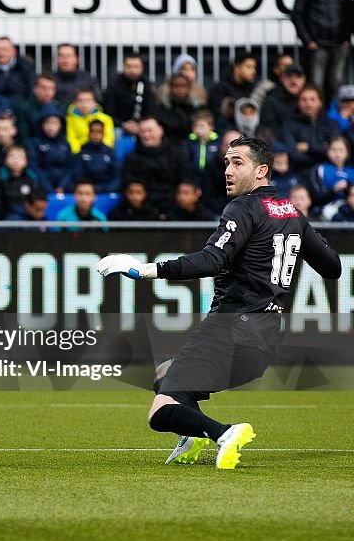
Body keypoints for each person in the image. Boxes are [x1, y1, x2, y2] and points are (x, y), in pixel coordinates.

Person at [98, 135, 342, 469]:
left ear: (261, 171)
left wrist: (145, 270)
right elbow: (333, 267)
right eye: (226, 162)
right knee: (164, 373)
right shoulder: (293, 214)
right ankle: (195, 434)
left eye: (237, 162)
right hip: (264, 341)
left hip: (228, 330)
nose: (227, 169)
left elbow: (212, 260)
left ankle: (223, 432)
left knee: (160, 410)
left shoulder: (243, 208)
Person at [291, 0, 353, 102]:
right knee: (316, 85)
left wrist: (347, 37)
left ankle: (334, 119)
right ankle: (317, 120)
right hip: (317, 43)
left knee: (337, 84)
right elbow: (298, 13)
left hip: (339, 42)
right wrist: (307, 40)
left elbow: (348, 12)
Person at [103, 52, 155, 135]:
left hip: (141, 125)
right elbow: (109, 111)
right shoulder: (114, 83)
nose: (132, 70)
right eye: (129, 66)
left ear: (142, 68)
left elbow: (150, 110)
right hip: (118, 125)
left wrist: (140, 124)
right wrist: (123, 124)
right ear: (123, 67)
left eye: (136, 67)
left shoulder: (146, 84)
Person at [68, 120, 119, 193]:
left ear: (103, 134)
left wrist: (102, 189)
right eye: (93, 131)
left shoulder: (110, 153)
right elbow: (77, 176)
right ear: (88, 133)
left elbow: (117, 176)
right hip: (86, 191)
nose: (96, 135)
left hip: (106, 191)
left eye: (99, 132)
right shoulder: (81, 154)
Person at [0, 144, 47, 219]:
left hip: (29, 214)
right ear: (5, 160)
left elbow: (36, 199)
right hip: (7, 215)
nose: (16, 160)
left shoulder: (31, 177)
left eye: (20, 157)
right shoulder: (0, 177)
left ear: (26, 161)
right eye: (12, 156)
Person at [0, 36, 35, 104]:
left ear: (14, 51)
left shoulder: (25, 69)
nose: (0, 53)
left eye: (4, 49)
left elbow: (31, 93)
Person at [64, 88, 114, 154]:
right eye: (80, 100)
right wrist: (81, 153)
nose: (84, 104)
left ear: (95, 103)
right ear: (75, 103)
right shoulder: (69, 120)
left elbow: (109, 139)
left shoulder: (106, 119)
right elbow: (71, 140)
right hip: (79, 155)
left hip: (100, 153)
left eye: (88, 101)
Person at [208, 52, 258, 118]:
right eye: (249, 67)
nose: (253, 71)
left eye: (254, 67)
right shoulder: (220, 89)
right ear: (236, 68)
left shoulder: (253, 88)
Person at [308, 135, 354, 206]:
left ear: (347, 153)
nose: (337, 154)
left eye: (341, 150)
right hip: (326, 208)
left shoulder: (351, 171)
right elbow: (316, 196)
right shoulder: (320, 169)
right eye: (333, 150)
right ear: (327, 151)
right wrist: (333, 191)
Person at [14, 72, 60, 141]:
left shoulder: (58, 107)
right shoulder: (24, 108)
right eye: (43, 88)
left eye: (51, 89)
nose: (48, 92)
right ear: (35, 89)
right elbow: (25, 136)